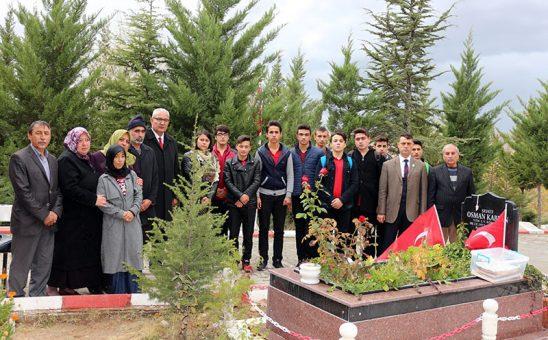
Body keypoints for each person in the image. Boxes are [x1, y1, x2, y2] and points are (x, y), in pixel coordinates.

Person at [8, 121, 63, 297]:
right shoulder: (19, 158)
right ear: (29, 135)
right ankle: (14, 301)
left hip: (49, 224)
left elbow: (58, 191)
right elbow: (23, 192)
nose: (42, 137)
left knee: (43, 265)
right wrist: (43, 214)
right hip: (27, 222)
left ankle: (37, 300)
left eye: (46, 133)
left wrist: (55, 212)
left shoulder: (53, 160)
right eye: (38, 133)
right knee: (20, 265)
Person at [48, 127, 106, 295]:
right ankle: (65, 286)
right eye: (80, 141)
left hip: (87, 216)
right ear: (73, 142)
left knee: (85, 252)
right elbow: (69, 188)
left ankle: (86, 283)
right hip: (73, 217)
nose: (84, 144)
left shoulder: (85, 158)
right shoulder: (67, 159)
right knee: (70, 253)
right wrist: (93, 199)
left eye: (87, 140)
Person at [97, 145, 143, 293]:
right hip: (114, 223)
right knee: (115, 257)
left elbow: (139, 195)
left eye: (122, 156)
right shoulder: (104, 179)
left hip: (132, 222)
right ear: (110, 159)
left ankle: (134, 291)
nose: (119, 160)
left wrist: (133, 211)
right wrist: (121, 213)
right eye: (116, 157)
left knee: (133, 255)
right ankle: (117, 292)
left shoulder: (132, 175)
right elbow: (102, 203)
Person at [377, 133, 428, 253]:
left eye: (409, 144)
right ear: (398, 145)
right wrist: (381, 211)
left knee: (408, 245)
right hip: (391, 211)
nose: (406, 146)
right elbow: (383, 190)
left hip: (411, 212)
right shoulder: (387, 165)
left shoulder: (421, 166)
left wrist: (422, 215)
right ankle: (384, 266)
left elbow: (423, 192)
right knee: (387, 244)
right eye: (403, 143)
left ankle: (405, 269)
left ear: (412, 146)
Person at [256, 121, 294, 270]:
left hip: (281, 196)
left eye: (276, 132)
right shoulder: (260, 152)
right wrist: (257, 195)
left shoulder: (287, 153)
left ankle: (277, 259)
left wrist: (288, 195)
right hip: (264, 195)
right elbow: (256, 175)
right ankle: (263, 259)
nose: (273, 135)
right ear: (267, 134)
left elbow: (290, 175)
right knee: (263, 228)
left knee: (279, 229)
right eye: (271, 132)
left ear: (280, 134)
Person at [224, 135, 262, 272]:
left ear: (250, 147)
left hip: (250, 203)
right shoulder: (229, 163)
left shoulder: (256, 162)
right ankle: (233, 259)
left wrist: (246, 196)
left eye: (246, 146)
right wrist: (240, 197)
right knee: (233, 233)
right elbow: (228, 182)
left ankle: (246, 260)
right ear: (236, 147)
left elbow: (257, 180)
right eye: (241, 146)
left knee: (248, 233)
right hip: (234, 203)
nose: (244, 149)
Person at [290, 124, 323, 266]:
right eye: (301, 134)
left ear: (310, 136)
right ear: (297, 136)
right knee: (299, 228)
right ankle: (301, 258)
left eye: (306, 134)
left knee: (312, 228)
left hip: (313, 197)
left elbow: (322, 174)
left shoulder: (318, 153)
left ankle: (313, 257)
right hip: (297, 195)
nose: (303, 137)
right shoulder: (290, 153)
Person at [348, 128, 386, 256]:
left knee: (369, 237)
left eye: (363, 138)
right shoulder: (350, 156)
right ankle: (351, 261)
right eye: (357, 139)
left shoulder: (378, 157)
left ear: (369, 139)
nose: (360, 141)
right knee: (352, 235)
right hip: (353, 203)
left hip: (371, 203)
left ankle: (368, 262)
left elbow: (383, 182)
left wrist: (381, 206)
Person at [428, 144, 475, 243]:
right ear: (443, 156)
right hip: (441, 216)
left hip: (459, 217)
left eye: (453, 153)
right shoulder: (435, 171)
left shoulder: (467, 172)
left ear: (458, 155)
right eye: (447, 153)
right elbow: (430, 195)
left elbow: (471, 196)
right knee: (438, 247)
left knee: (458, 247)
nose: (450, 156)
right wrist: (431, 216)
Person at [314, 131, 359, 234]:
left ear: (345, 144)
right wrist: (332, 199)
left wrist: (342, 200)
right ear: (330, 144)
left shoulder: (351, 162)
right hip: (327, 206)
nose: (338, 143)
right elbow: (318, 183)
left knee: (342, 241)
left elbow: (355, 184)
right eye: (335, 141)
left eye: (341, 141)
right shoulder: (323, 160)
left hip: (345, 206)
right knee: (326, 239)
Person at [127, 115, 159, 243]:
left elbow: (155, 178)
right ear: (129, 132)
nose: (140, 134)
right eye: (136, 131)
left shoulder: (149, 151)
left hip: (148, 206)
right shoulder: (124, 151)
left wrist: (150, 199)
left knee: (150, 243)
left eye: (142, 131)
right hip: (130, 207)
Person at [144, 108, 180, 221]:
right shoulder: (144, 139)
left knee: (166, 232)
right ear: (151, 120)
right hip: (149, 197)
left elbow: (176, 170)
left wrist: (175, 194)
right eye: (159, 119)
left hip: (168, 197)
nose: (162, 122)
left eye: (166, 120)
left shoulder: (171, 142)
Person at [181, 130, 220, 204]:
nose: (204, 142)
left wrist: (209, 197)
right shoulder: (189, 156)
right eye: (201, 140)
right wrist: (202, 196)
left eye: (207, 140)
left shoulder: (213, 158)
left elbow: (215, 180)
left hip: (206, 199)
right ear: (196, 141)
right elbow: (191, 178)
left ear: (210, 143)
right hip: (191, 197)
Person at [211, 125, 236, 236]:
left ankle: (227, 253)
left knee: (228, 227)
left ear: (228, 137)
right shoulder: (209, 153)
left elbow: (237, 176)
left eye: (225, 134)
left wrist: (226, 189)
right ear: (215, 137)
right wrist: (213, 190)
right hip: (212, 196)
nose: (222, 137)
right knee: (214, 228)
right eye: (220, 134)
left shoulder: (234, 154)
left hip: (229, 196)